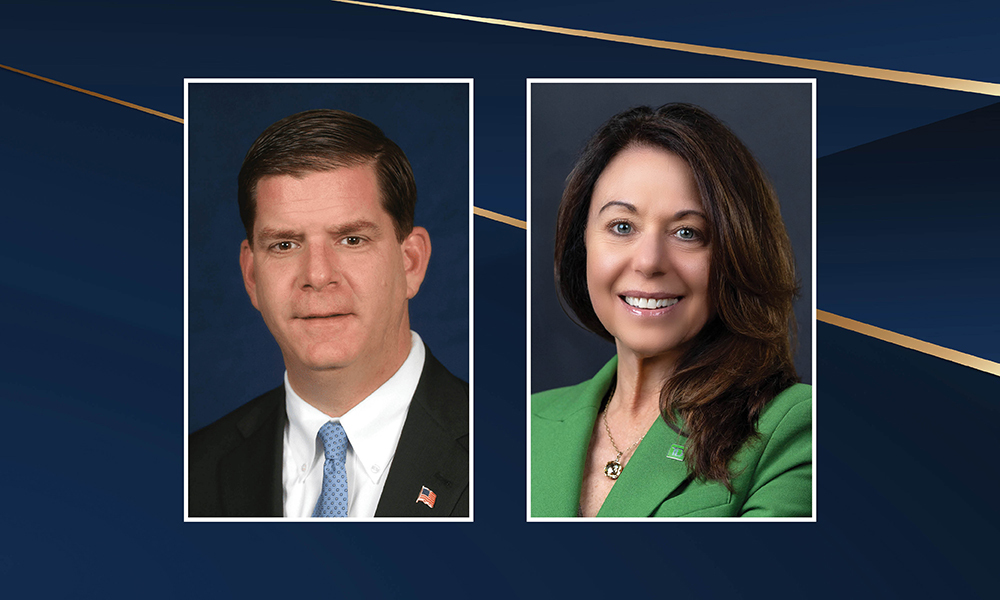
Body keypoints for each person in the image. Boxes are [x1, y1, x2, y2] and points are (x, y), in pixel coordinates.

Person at [531, 103, 811, 518]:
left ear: (737, 253)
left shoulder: (793, 426)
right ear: (582, 244)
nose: (648, 262)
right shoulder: (527, 423)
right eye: (622, 226)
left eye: (687, 233)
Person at [189, 109, 468, 518]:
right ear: (251, 275)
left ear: (410, 262)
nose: (317, 276)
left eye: (351, 239)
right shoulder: (193, 469)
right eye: (284, 245)